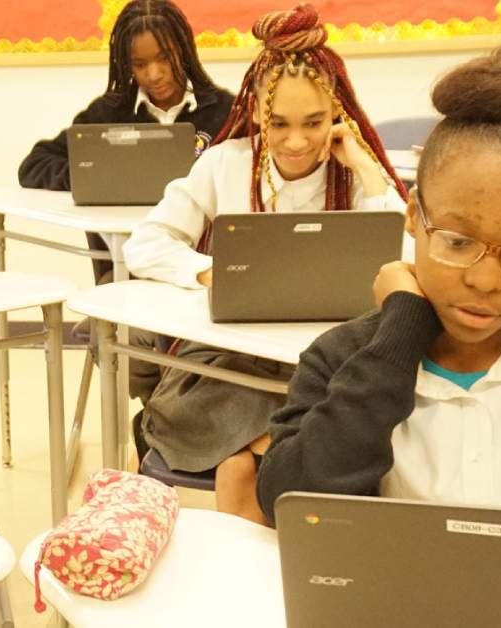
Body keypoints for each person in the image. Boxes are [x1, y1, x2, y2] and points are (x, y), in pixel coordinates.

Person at [257, 36, 501, 523]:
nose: (487, 280)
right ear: (413, 216)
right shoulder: (345, 356)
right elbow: (289, 501)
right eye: (457, 242)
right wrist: (400, 334)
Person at [121, 3, 409, 524]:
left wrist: (366, 167)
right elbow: (144, 242)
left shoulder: (353, 176)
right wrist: (206, 271)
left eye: (314, 122)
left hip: (323, 359)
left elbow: (406, 255)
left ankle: (250, 459)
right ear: (255, 111)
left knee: (339, 397)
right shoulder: (223, 164)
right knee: (211, 394)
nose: (296, 141)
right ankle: (265, 461)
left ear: (337, 113)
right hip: (238, 360)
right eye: (278, 123)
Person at [18, 0, 234, 282]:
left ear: (184, 50)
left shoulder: (225, 111)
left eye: (165, 58)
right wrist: (92, 176)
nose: (154, 74)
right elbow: (34, 165)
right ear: (125, 64)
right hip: (125, 269)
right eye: (140, 64)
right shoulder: (110, 113)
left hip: (204, 265)